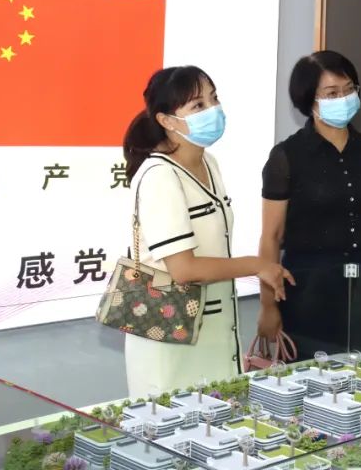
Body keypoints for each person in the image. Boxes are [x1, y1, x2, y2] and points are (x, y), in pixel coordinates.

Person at [122, 66, 294, 396]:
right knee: (177, 420)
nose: (213, 110)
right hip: (173, 338)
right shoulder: (159, 175)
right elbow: (183, 269)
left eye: (214, 99)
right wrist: (257, 265)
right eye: (198, 105)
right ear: (167, 121)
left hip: (215, 332)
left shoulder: (209, 163)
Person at [258, 51, 361, 358]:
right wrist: (267, 305)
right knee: (310, 377)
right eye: (332, 93)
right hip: (308, 291)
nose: (344, 99)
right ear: (309, 101)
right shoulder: (287, 156)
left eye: (349, 89)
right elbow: (271, 236)